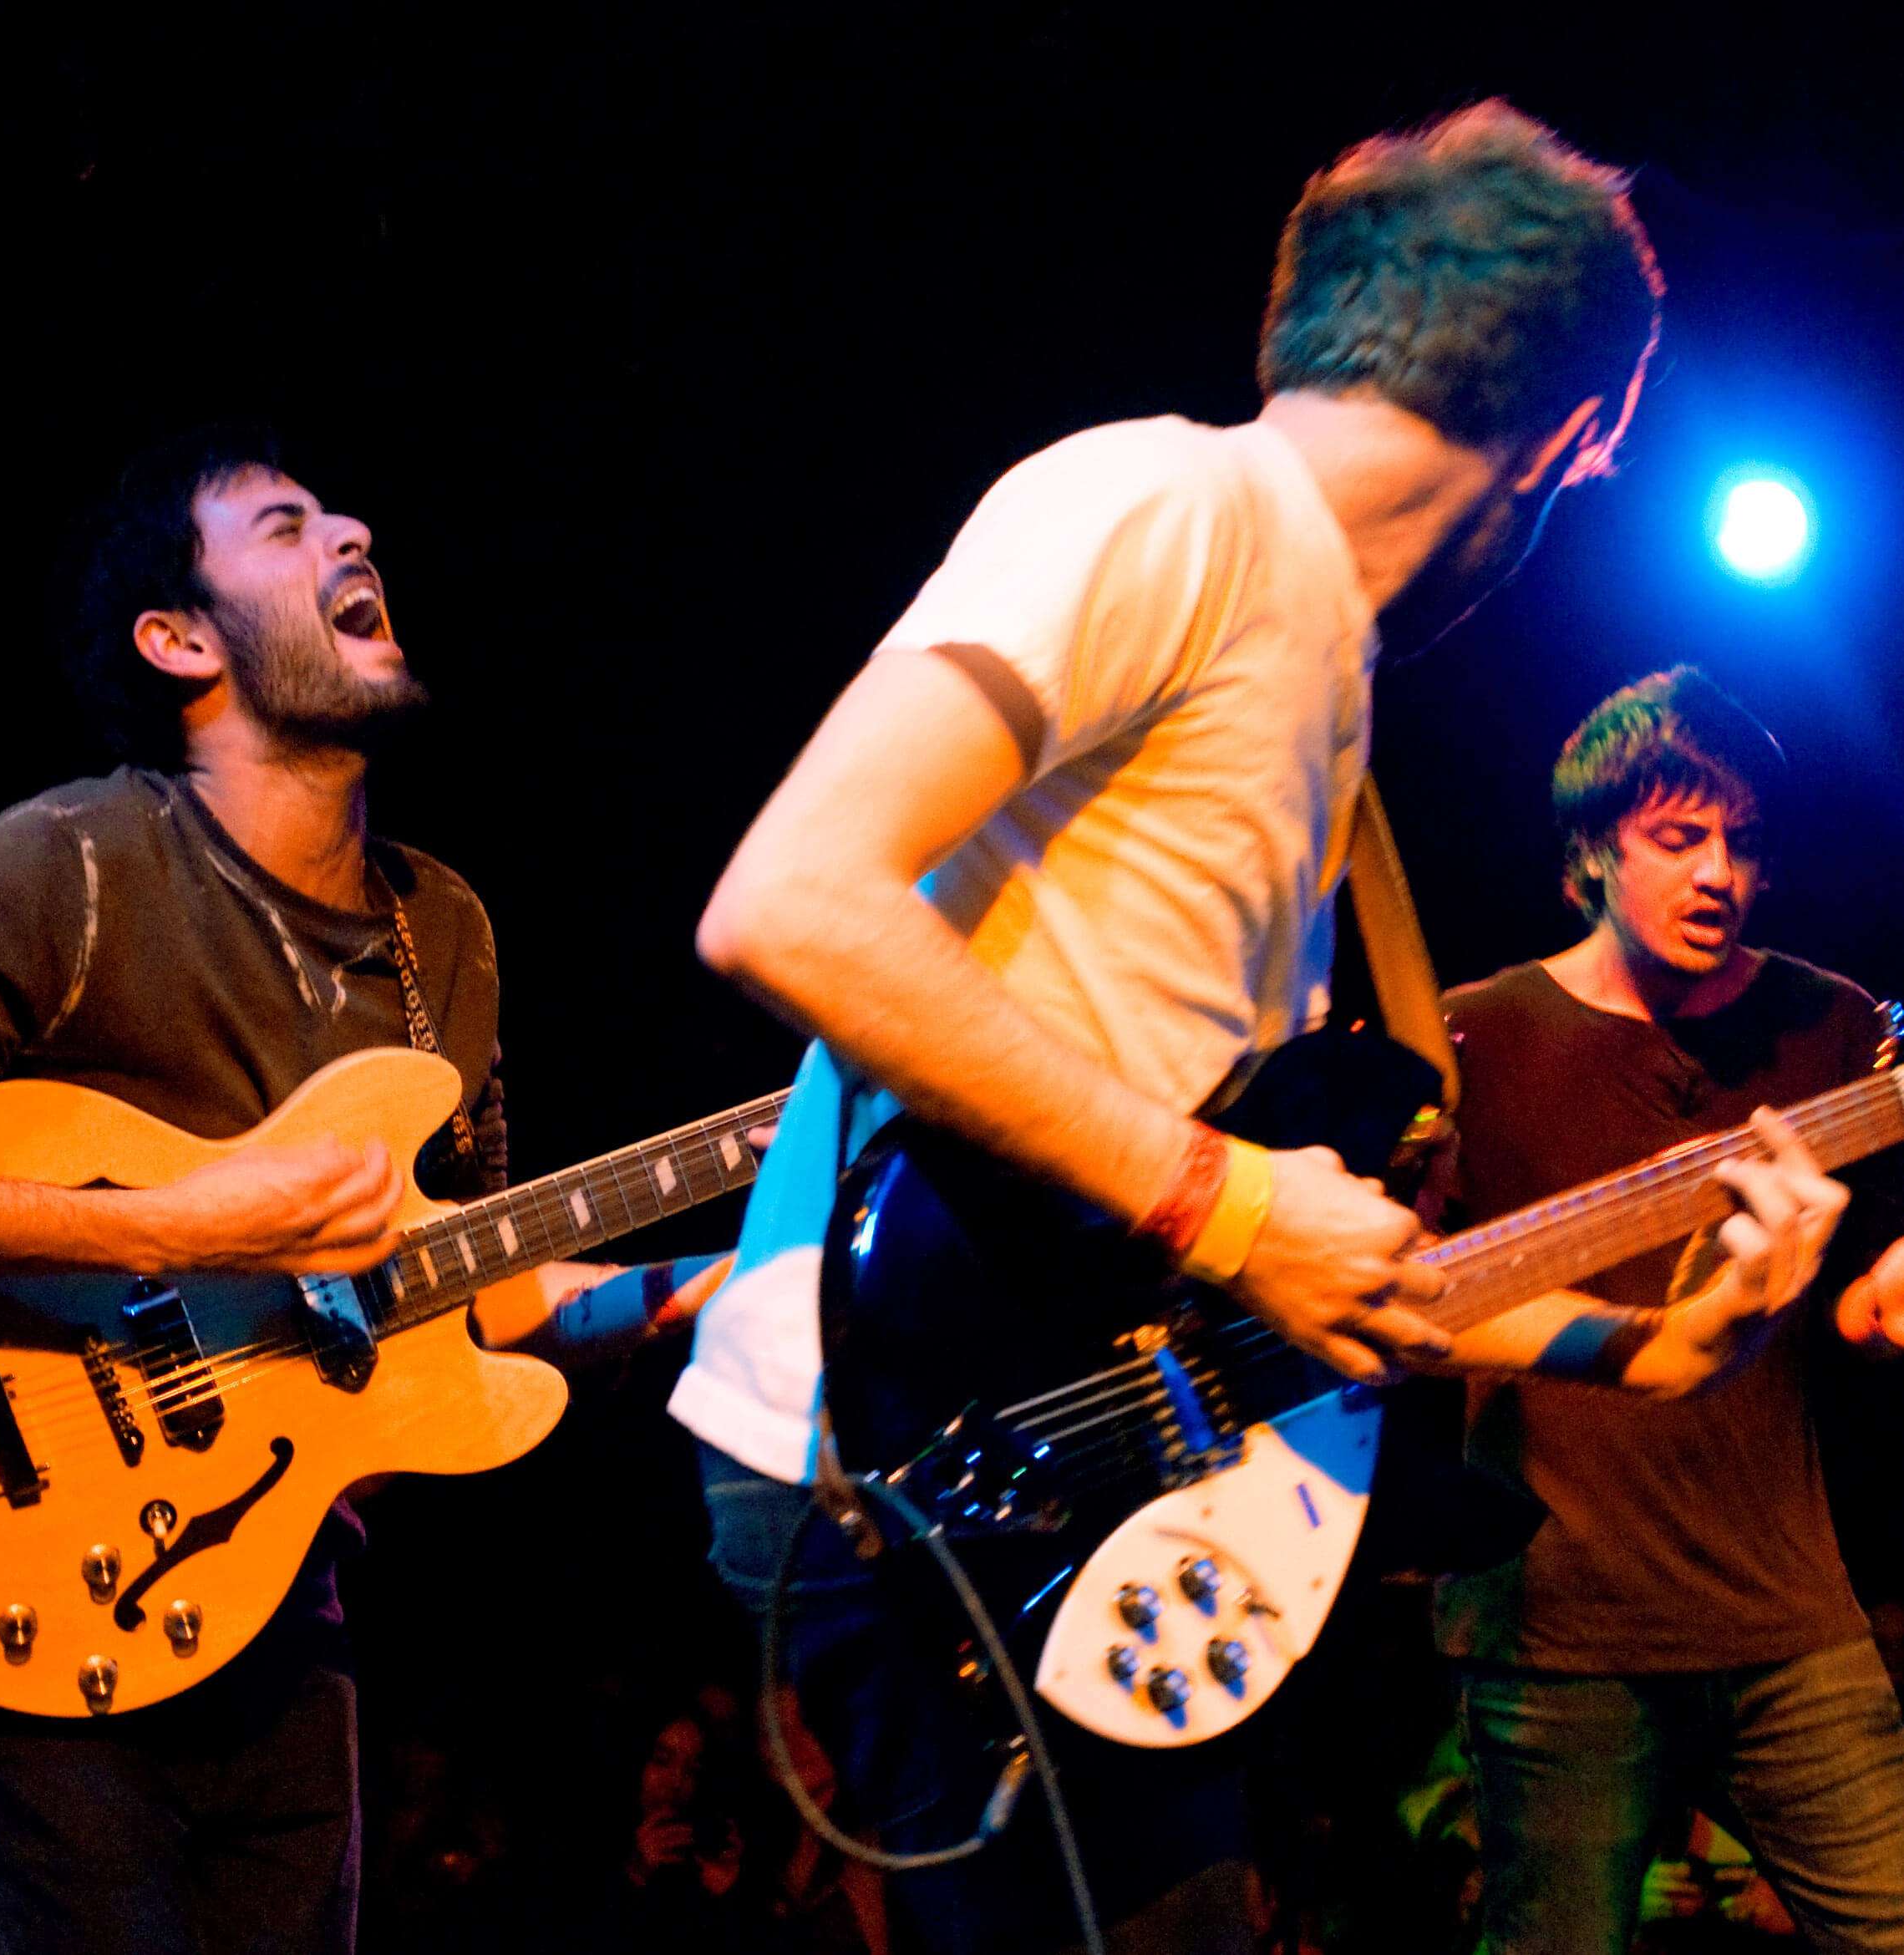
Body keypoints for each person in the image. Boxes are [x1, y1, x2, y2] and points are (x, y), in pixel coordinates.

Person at [669, 104, 1843, 1955]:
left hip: (1102, 1451)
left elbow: (1279, 1254)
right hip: (931, 1468)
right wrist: (1217, 1202)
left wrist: (1645, 1346)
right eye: (1604, 449)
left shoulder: (1316, 675)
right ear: (1578, 429)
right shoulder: (1165, 505)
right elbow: (791, 900)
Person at [0, 428, 683, 1955]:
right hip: (23, 1564)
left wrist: (668, 1295)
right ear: (180, 640)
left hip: (278, 1601)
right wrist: (178, 1227)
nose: (354, 532)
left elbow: (474, 1287)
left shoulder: (445, 936)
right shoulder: (80, 863)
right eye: (286, 525)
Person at [1431, 666, 1904, 1954]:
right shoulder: (1470, 1038)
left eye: (1742, 844)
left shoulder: (1832, 1023)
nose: (1718, 876)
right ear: (1589, 852)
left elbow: (1876, 1266)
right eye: (1676, 838)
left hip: (1788, 1615)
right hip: (1559, 1632)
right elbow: (1401, 1307)